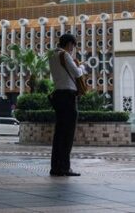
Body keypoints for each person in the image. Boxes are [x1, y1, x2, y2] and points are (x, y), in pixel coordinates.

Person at [48, 33, 85, 177]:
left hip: (58, 95)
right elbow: (77, 73)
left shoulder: (52, 55)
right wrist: (80, 67)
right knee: (68, 134)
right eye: (73, 46)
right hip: (68, 96)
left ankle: (55, 167)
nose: (73, 49)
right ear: (70, 44)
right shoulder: (65, 55)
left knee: (59, 134)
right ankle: (65, 167)